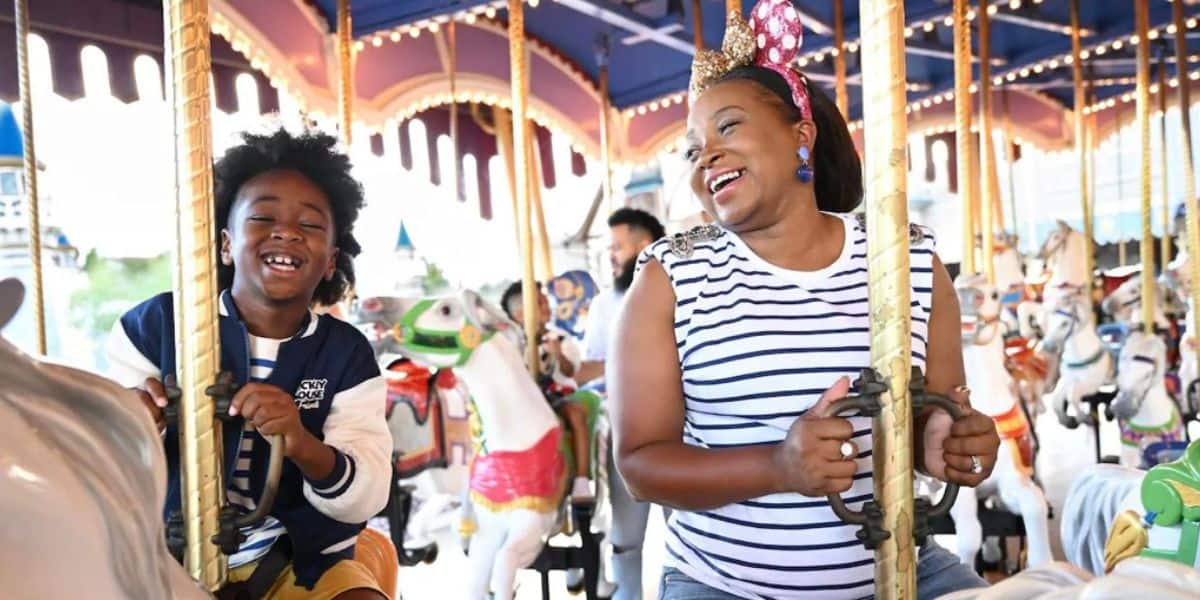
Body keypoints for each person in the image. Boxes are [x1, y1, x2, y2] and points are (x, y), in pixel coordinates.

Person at [610, 2, 1002, 599]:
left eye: (729, 127)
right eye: (692, 149)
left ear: (801, 137)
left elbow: (935, 412)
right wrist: (777, 466)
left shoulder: (908, 263)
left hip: (903, 566)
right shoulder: (672, 279)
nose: (705, 155)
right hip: (730, 584)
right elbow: (639, 464)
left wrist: (944, 440)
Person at [106, 128, 391, 599]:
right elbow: (98, 452)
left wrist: (301, 441)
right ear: (224, 244)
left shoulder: (346, 354)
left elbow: (369, 488)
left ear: (329, 261)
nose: (287, 231)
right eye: (263, 216)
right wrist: (134, 420)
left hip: (299, 559)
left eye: (312, 225)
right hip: (161, 553)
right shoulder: (157, 327)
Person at [500, 280, 594, 501]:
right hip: (527, 400)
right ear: (520, 315)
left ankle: (581, 481)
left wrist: (558, 353)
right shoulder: (511, 345)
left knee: (575, 413)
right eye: (540, 304)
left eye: (545, 302)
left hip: (556, 396)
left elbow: (570, 371)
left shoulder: (558, 338)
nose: (548, 307)